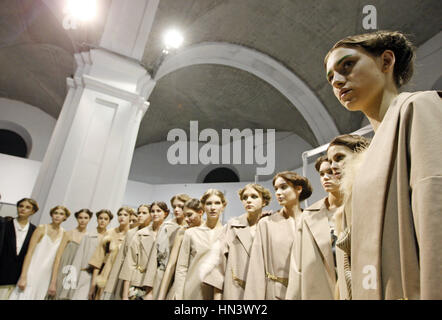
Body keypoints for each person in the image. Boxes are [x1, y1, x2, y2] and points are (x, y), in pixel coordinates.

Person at [325, 30, 442, 299]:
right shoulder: (368, 155)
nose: (338, 81)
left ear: (386, 62)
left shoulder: (419, 107)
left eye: (347, 65)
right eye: (331, 78)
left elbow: (435, 215)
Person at [244, 172, 312, 300]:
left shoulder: (312, 221)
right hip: (277, 294)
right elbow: (256, 267)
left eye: (283, 187)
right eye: (276, 189)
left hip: (309, 291)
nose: (278, 192)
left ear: (298, 189)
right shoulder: (266, 223)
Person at [203, 184, 272, 300]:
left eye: (254, 197)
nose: (248, 200)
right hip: (236, 291)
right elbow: (219, 265)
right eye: (245, 198)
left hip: (265, 291)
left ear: (264, 201)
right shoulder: (232, 226)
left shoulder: (272, 225)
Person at [286, 156, 341, 299]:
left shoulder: (359, 208)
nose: (325, 177)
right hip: (320, 291)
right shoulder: (309, 216)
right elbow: (296, 265)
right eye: (322, 174)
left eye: (330, 172)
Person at [9, 205, 70, 300]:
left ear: (65, 217)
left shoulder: (65, 234)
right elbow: (29, 253)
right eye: (55, 213)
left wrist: (53, 282)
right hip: (32, 270)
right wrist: (23, 276)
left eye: (61, 214)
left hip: (46, 275)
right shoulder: (41, 228)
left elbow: (58, 259)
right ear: (51, 215)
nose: (57, 216)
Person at [174, 189, 225, 300]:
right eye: (208, 203)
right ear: (203, 207)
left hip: (219, 292)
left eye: (217, 203)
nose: (213, 207)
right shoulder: (191, 233)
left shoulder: (228, 233)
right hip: (193, 290)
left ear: (223, 206)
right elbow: (181, 268)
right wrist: (178, 296)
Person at [157, 198, 205, 300]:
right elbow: (171, 265)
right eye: (185, 215)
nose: (186, 219)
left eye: (190, 215)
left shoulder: (210, 231)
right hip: (180, 284)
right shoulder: (182, 231)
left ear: (200, 212)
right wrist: (161, 296)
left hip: (201, 287)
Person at [102, 204, 151, 300]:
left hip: (142, 279)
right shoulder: (131, 233)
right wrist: (111, 285)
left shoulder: (155, 234)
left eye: (144, 213)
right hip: (124, 274)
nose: (140, 215)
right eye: (139, 213)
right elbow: (120, 258)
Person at [120, 202, 168, 300]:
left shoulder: (169, 234)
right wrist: (125, 295)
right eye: (152, 211)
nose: (155, 214)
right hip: (138, 283)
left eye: (158, 211)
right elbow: (129, 264)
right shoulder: (140, 234)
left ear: (165, 213)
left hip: (159, 284)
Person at [146, 194, 190, 299]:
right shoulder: (165, 226)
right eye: (174, 207)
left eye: (180, 206)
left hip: (183, 277)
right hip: (162, 276)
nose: (176, 209)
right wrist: (149, 288)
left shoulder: (193, 228)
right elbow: (154, 256)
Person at [88, 206, 132, 300]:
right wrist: (93, 284)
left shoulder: (132, 235)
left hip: (120, 276)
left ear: (130, 217)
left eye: (125, 215)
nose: (122, 217)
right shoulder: (110, 233)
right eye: (120, 214)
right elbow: (98, 258)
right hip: (106, 274)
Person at [47, 208, 92, 299]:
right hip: (63, 270)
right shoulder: (68, 234)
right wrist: (53, 281)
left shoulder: (90, 237)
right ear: (76, 218)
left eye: (86, 218)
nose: (83, 220)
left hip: (76, 274)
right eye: (80, 217)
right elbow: (58, 257)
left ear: (89, 219)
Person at [69, 209, 112, 300]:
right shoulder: (88, 235)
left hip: (100, 276)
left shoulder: (110, 238)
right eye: (100, 218)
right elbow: (79, 257)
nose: (102, 221)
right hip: (85, 273)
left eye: (105, 219)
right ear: (97, 219)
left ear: (109, 221)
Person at [0, 198, 38, 300]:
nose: (23, 209)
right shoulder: (5, 225)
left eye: (27, 207)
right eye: (21, 206)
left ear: (33, 211)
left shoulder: (34, 230)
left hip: (17, 277)